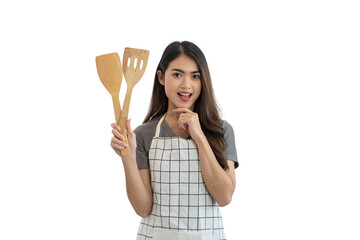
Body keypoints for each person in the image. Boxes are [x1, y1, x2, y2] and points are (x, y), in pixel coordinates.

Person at [110, 41, 238, 240]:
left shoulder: (221, 131)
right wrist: (127, 157)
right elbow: (143, 208)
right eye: (177, 74)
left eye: (195, 76)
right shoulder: (144, 134)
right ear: (161, 77)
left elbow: (224, 197)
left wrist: (200, 137)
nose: (186, 84)